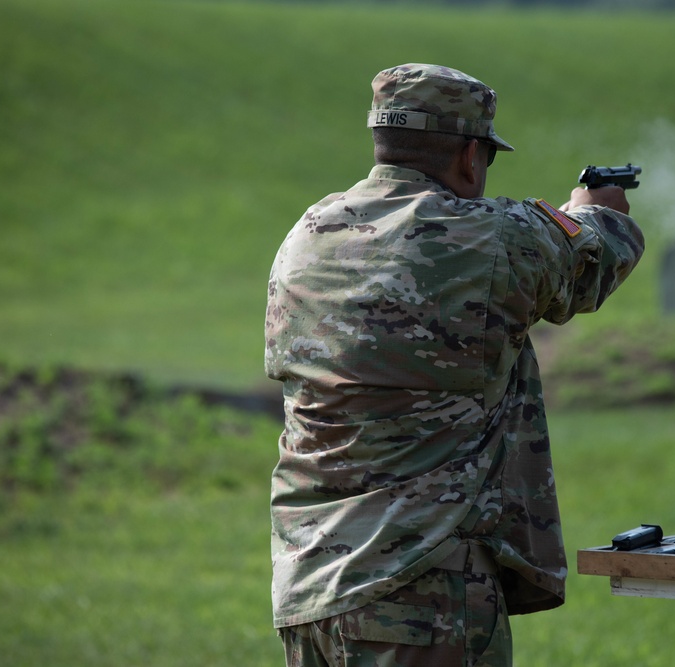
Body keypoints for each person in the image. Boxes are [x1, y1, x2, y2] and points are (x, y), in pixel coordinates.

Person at [265, 63, 645, 667]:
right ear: (471, 156)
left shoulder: (308, 232)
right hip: (423, 590)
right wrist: (599, 210)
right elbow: (591, 262)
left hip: (311, 583)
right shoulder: (492, 237)